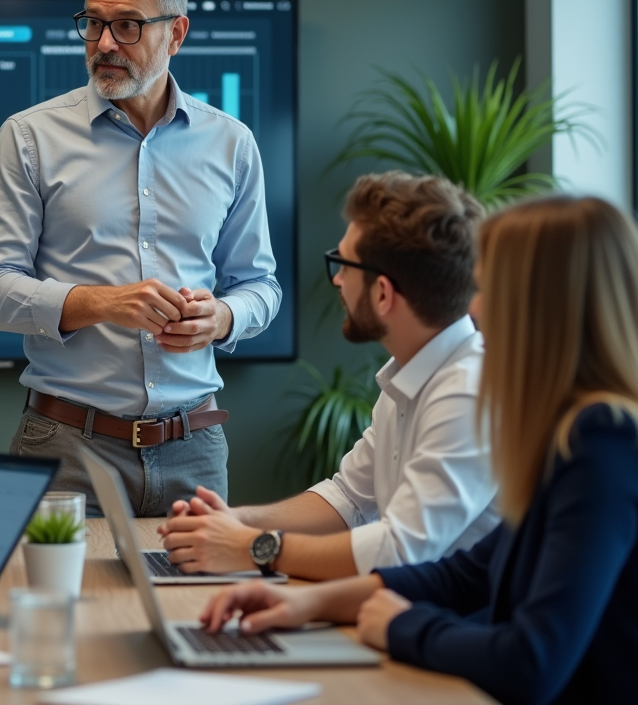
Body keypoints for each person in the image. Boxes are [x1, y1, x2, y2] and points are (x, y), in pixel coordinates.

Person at [200, 195, 638, 705]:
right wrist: (306, 604)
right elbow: (470, 574)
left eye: (487, 288)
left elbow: (533, 662)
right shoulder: (569, 431)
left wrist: (402, 627)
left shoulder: (605, 443)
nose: (475, 306)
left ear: (541, 307)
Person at [0, 0, 281, 516]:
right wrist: (103, 302)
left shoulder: (231, 143)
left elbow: (261, 286)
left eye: (128, 26)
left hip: (197, 448)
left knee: (198, 605)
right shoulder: (29, 137)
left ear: (177, 33)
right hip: (66, 447)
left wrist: (223, 317)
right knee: (63, 604)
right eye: (93, 23)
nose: (105, 43)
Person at [159, 172, 499, 580]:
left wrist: (254, 548)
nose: (336, 279)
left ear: (384, 294)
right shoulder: (408, 377)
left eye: (343, 265)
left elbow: (400, 550)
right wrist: (233, 520)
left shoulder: (468, 393)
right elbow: (348, 499)